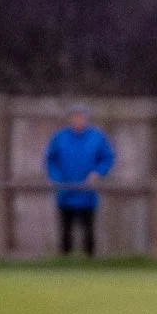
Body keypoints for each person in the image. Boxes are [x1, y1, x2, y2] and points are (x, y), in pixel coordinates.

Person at [44, 104, 116, 258]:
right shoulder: (60, 137)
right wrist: (57, 179)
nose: (78, 120)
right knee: (65, 230)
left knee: (88, 230)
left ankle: (89, 262)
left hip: (88, 194)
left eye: (82, 117)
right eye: (75, 117)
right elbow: (51, 160)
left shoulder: (97, 137)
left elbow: (107, 158)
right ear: (70, 119)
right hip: (65, 193)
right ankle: (64, 262)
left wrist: (97, 173)